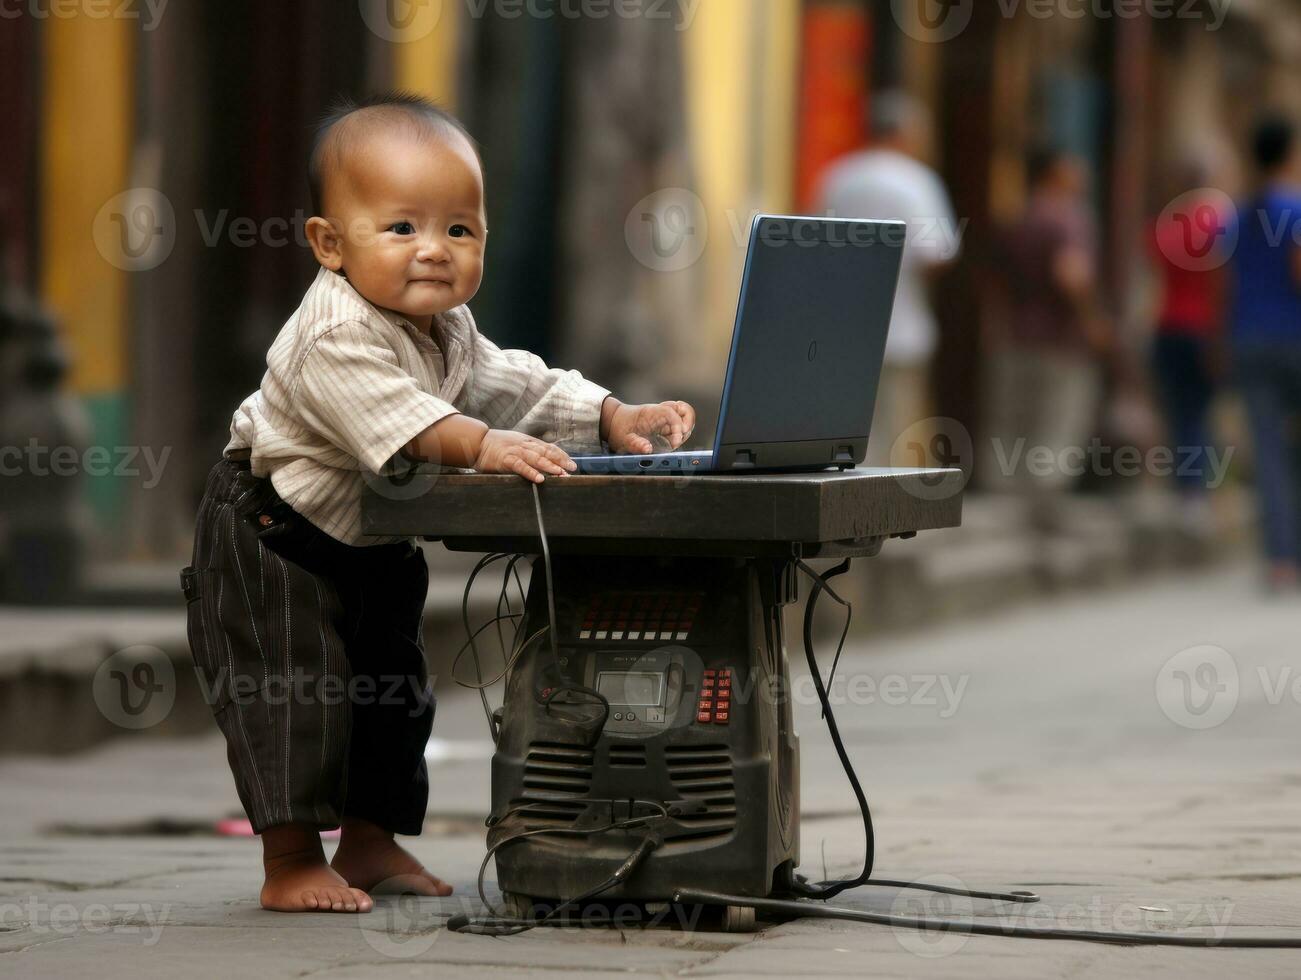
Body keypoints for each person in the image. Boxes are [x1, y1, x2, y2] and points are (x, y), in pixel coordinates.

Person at [182, 92, 697, 913]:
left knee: (394, 687)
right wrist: (484, 445)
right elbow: (409, 420)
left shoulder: (447, 327)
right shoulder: (330, 336)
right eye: (401, 229)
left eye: (459, 229)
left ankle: (370, 839)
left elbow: (515, 382)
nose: (434, 252)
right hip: (271, 535)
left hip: (370, 538)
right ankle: (288, 861)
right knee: (292, 693)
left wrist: (611, 414)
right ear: (328, 244)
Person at [815, 90, 960, 466]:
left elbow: (813, 246)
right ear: (905, 133)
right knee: (894, 431)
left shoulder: (837, 177)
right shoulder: (916, 181)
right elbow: (935, 254)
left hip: (841, 327)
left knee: (845, 427)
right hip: (900, 326)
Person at [981, 147, 1109, 528]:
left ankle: (1001, 504)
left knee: (1010, 420)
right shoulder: (1069, 218)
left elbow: (994, 279)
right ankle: (1042, 506)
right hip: (1060, 339)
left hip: (1015, 335)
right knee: (1056, 420)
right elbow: (1072, 274)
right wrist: (1092, 319)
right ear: (1056, 174)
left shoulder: (1017, 216)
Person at [1227, 114, 1301, 592]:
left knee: (1269, 453)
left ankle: (1280, 559)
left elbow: (1222, 284)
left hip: (1248, 340)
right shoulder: (1294, 209)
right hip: (1292, 340)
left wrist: (1219, 341)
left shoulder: (1238, 214)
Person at [1146, 152, 1230, 530]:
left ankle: (1187, 491)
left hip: (1167, 327)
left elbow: (1154, 271)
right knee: (1199, 414)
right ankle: (1197, 494)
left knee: (1180, 413)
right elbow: (1222, 283)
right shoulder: (1220, 223)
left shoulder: (1166, 224)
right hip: (1204, 329)